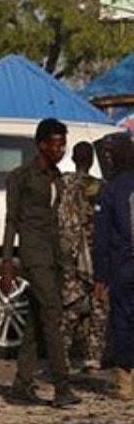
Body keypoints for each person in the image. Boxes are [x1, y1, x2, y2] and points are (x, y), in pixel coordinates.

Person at [1, 118, 81, 408]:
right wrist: (7, 262)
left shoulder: (57, 177)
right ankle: (62, 386)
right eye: (56, 144)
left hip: (53, 255)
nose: (60, 150)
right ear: (41, 145)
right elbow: (11, 221)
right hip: (33, 255)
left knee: (36, 320)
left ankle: (21, 385)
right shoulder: (21, 176)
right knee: (52, 315)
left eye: (63, 144)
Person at [59, 141, 107, 372]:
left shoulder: (62, 183)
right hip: (96, 252)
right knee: (99, 304)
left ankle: (63, 356)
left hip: (68, 252)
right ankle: (93, 356)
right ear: (90, 160)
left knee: (70, 304)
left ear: (74, 158)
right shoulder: (99, 186)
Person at [94, 135, 134, 401]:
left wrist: (100, 276)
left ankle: (125, 381)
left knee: (122, 321)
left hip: (123, 267)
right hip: (124, 265)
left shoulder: (110, 189)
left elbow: (102, 237)